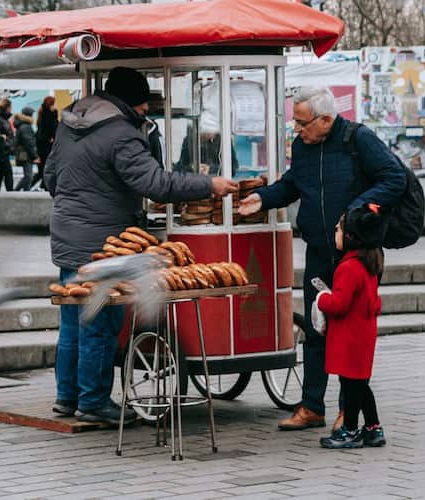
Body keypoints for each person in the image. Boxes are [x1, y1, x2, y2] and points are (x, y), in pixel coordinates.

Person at [44, 66, 239, 423]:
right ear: (129, 103)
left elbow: (50, 178)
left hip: (67, 234)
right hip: (104, 242)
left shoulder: (69, 123)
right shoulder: (121, 133)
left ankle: (66, 397)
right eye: (143, 104)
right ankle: (93, 403)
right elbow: (156, 184)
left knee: (73, 318)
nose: (147, 111)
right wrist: (209, 186)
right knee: (100, 323)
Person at [237, 86, 406, 431]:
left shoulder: (359, 140)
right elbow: (293, 184)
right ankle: (312, 405)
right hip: (318, 249)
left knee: (350, 335)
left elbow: (394, 179)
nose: (297, 131)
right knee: (316, 327)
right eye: (294, 124)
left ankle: (349, 409)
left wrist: (354, 212)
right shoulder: (303, 146)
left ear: (326, 119)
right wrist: (263, 198)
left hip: (357, 257)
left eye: (302, 123)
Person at [315, 205, 386, 449]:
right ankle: (374, 428)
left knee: (350, 386)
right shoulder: (370, 265)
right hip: (363, 334)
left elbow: (339, 304)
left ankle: (350, 430)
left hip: (349, 337)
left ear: (350, 236)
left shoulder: (348, 268)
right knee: (361, 384)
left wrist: (322, 298)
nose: (334, 233)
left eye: (338, 230)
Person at [34, 96, 59, 187]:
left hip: (44, 146)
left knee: (45, 168)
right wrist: (50, 138)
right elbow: (51, 128)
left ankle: (43, 185)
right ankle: (39, 185)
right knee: (45, 168)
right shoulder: (47, 115)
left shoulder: (44, 113)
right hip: (45, 146)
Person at [12, 106, 39, 191]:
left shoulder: (22, 125)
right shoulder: (26, 126)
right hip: (25, 154)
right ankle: (17, 192)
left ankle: (24, 192)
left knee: (28, 176)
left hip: (23, 154)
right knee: (28, 176)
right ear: (29, 115)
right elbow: (29, 143)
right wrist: (35, 156)